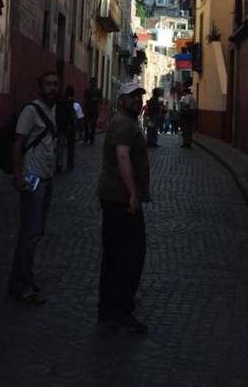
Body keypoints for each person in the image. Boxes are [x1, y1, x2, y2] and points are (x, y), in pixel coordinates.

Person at [97, 82, 150, 333]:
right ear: (120, 101)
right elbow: (122, 157)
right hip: (120, 200)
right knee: (129, 256)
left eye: (139, 97)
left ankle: (111, 312)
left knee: (118, 256)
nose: (137, 101)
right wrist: (132, 194)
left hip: (118, 198)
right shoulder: (122, 124)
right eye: (131, 97)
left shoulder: (127, 123)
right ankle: (118, 313)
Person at [8, 71, 59, 304]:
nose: (52, 88)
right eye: (48, 84)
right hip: (32, 181)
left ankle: (20, 279)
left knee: (34, 233)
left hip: (46, 181)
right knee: (29, 234)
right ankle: (23, 285)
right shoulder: (31, 111)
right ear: (40, 87)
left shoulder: (52, 110)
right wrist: (18, 175)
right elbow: (18, 143)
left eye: (55, 84)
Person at [55, 85, 76, 172]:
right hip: (69, 126)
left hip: (60, 126)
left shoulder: (59, 101)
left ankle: (59, 164)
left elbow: (57, 114)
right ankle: (70, 163)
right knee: (70, 146)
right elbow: (71, 115)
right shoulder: (70, 102)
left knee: (60, 145)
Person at [83, 76, 103, 145]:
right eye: (92, 82)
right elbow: (85, 99)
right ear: (90, 83)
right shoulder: (87, 90)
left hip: (94, 110)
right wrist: (84, 108)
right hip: (87, 109)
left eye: (94, 82)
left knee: (93, 125)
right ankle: (86, 136)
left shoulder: (98, 91)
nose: (93, 84)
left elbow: (101, 100)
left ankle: (92, 138)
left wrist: (96, 99)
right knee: (85, 124)